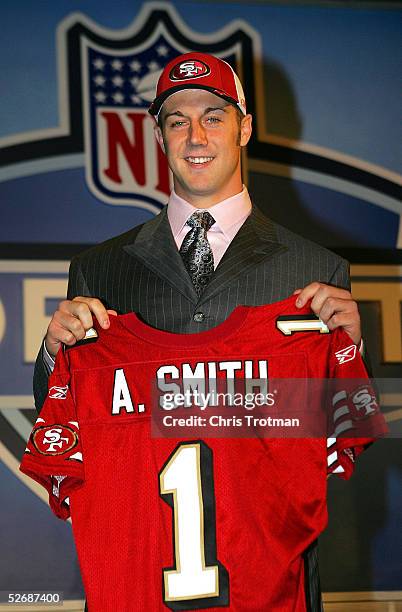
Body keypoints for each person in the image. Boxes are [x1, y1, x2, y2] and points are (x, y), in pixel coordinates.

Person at [33, 52, 363, 611]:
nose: (195, 136)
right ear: (158, 137)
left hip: (267, 584)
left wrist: (351, 351)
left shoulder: (316, 271)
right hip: (142, 579)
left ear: (245, 127)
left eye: (213, 115)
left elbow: (341, 431)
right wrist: (51, 352)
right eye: (177, 121)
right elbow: (67, 415)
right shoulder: (100, 269)